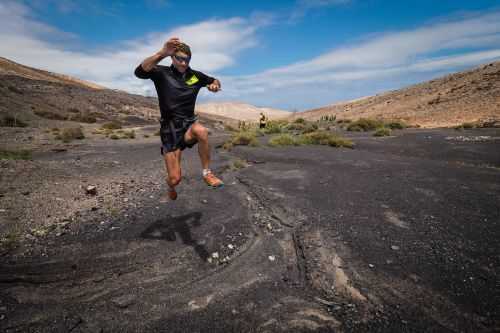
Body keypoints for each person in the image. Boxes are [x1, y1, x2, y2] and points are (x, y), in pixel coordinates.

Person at [134, 37, 223, 201]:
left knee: (201, 131)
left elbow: (214, 80)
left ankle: (207, 173)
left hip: (188, 125)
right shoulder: (161, 73)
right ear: (172, 58)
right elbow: (139, 72)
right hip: (170, 130)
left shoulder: (195, 76)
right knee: (175, 178)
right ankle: (170, 186)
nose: (183, 63)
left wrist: (215, 86)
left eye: (187, 59)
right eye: (180, 58)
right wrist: (162, 53)